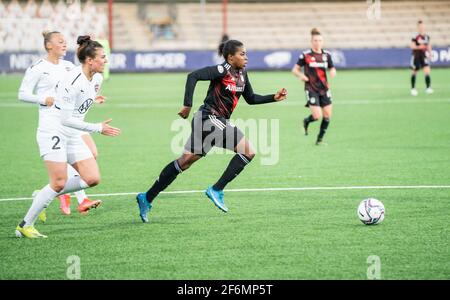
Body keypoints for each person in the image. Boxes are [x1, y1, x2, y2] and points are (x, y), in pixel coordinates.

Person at [135, 39, 287, 223]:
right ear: (231, 57)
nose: (246, 57)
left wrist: (274, 97)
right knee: (249, 151)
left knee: (185, 162)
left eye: (246, 53)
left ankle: (147, 197)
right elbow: (193, 76)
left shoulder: (242, 74)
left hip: (209, 122)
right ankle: (217, 189)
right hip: (208, 119)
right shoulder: (222, 70)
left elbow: (251, 98)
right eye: (242, 54)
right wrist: (187, 105)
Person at [15, 35, 121, 238]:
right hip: (54, 130)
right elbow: (65, 119)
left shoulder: (97, 78)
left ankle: (44, 195)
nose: (106, 61)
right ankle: (25, 225)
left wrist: (91, 100)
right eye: (102, 57)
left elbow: (78, 108)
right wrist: (97, 128)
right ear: (90, 60)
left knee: (92, 178)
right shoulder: (71, 81)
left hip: (73, 132)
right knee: (58, 182)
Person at [292, 28, 336, 145]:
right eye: (315, 40)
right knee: (317, 116)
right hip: (311, 88)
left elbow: (331, 67)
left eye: (320, 40)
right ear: (312, 42)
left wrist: (332, 71)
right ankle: (306, 121)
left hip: (324, 88)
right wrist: (301, 75)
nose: (318, 42)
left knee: (327, 115)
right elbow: (295, 70)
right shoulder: (305, 55)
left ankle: (319, 140)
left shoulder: (327, 55)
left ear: (322, 41)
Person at [410, 20, 433, 96]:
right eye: (420, 26)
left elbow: (428, 45)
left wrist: (430, 53)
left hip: (423, 56)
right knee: (414, 72)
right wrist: (419, 47)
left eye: (422, 26)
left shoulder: (427, 37)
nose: (421, 27)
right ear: (418, 27)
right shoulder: (415, 36)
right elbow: (412, 46)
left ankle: (428, 87)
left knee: (427, 71)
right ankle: (413, 88)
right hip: (416, 56)